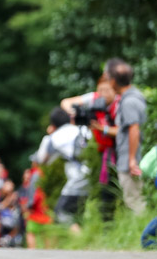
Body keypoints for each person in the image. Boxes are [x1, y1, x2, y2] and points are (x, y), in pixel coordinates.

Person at [61, 75, 120, 219]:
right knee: (106, 189)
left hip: (120, 150)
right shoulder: (94, 98)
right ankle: (107, 223)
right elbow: (66, 102)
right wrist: (74, 112)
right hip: (105, 151)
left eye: (107, 90)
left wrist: (101, 128)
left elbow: (123, 130)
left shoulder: (119, 104)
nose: (103, 94)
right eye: (101, 90)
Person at [33, 108, 89, 227]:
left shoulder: (55, 137)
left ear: (53, 124)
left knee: (61, 213)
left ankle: (82, 240)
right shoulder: (82, 129)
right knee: (80, 211)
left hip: (78, 178)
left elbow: (42, 160)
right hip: (96, 174)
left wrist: (49, 135)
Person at [107, 62, 147, 214]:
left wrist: (131, 160)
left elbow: (134, 129)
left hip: (131, 159)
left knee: (135, 202)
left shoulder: (129, 102)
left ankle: (145, 236)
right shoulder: (134, 97)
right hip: (133, 157)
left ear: (113, 81)